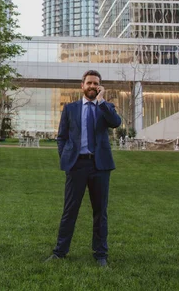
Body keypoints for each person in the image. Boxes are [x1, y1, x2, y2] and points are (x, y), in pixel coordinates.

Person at [46, 70, 122, 267]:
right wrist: (65, 157)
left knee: (100, 212)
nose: (92, 86)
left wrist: (102, 101)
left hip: (100, 166)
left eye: (96, 83)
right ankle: (60, 252)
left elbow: (116, 123)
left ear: (100, 87)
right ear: (82, 86)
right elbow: (62, 137)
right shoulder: (70, 108)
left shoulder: (105, 107)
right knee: (70, 210)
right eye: (89, 83)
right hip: (76, 165)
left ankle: (100, 255)